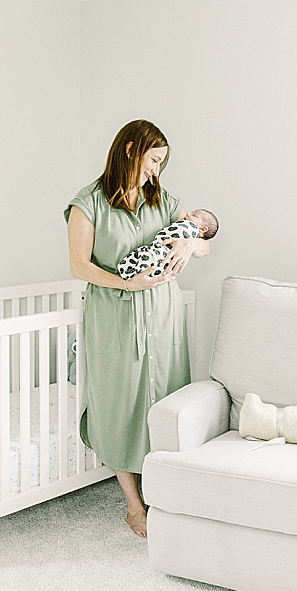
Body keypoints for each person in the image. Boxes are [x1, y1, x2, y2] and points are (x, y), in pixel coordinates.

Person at [64, 119, 211, 538]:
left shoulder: (162, 199)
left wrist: (189, 243)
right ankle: (134, 505)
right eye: (153, 161)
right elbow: (80, 265)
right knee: (117, 406)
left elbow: (203, 239)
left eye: (162, 164)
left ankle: (165, 493)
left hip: (162, 313)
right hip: (115, 313)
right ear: (130, 150)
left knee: (164, 400)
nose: (156, 171)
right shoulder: (88, 203)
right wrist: (127, 282)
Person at [116, 209, 218, 280]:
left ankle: (126, 272)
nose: (188, 214)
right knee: (143, 258)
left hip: (160, 254)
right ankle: (127, 273)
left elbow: (205, 247)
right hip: (157, 254)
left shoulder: (190, 228)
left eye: (194, 215)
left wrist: (191, 243)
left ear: (203, 228)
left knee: (145, 259)